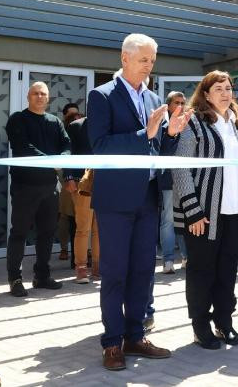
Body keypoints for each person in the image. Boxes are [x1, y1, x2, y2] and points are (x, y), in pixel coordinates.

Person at [87, 34, 190, 371]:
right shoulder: (101, 95)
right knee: (115, 273)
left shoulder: (153, 98)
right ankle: (112, 343)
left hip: (148, 198)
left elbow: (158, 151)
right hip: (115, 200)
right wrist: (144, 134)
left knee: (144, 272)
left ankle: (135, 335)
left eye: (152, 59)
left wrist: (171, 133)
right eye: (143, 59)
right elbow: (100, 146)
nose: (149, 65)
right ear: (124, 57)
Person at [172, 71, 238, 349]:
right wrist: (192, 211)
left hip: (236, 210)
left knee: (227, 269)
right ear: (206, 94)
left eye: (228, 88)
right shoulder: (194, 123)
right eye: (218, 89)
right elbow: (180, 169)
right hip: (204, 214)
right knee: (202, 270)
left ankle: (224, 322)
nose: (225, 93)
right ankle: (200, 325)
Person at [5, 82, 71, 297]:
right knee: (19, 233)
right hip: (25, 186)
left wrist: (62, 159)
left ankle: (42, 276)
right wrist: (52, 162)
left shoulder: (55, 122)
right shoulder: (17, 119)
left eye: (43, 94)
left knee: (46, 233)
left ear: (48, 98)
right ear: (28, 96)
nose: (40, 97)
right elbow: (23, 147)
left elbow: (67, 145)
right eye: (36, 93)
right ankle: (15, 279)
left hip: (49, 187)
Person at [64, 114, 99, 283]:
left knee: (101, 228)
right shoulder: (76, 126)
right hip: (81, 181)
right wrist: (68, 176)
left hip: (106, 181)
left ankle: (98, 267)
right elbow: (67, 152)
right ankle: (81, 268)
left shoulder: (113, 124)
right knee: (83, 226)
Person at [160, 91, 188, 274]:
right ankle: (168, 260)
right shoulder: (162, 125)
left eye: (183, 102)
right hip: (168, 180)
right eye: (176, 102)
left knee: (186, 219)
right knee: (169, 221)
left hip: (186, 179)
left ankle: (187, 257)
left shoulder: (189, 124)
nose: (180, 105)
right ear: (168, 105)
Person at [57, 103, 81, 261]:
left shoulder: (82, 130)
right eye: (71, 116)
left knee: (82, 217)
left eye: (77, 115)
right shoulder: (61, 132)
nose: (75, 118)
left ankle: (83, 250)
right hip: (66, 175)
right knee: (65, 215)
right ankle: (64, 249)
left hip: (83, 176)